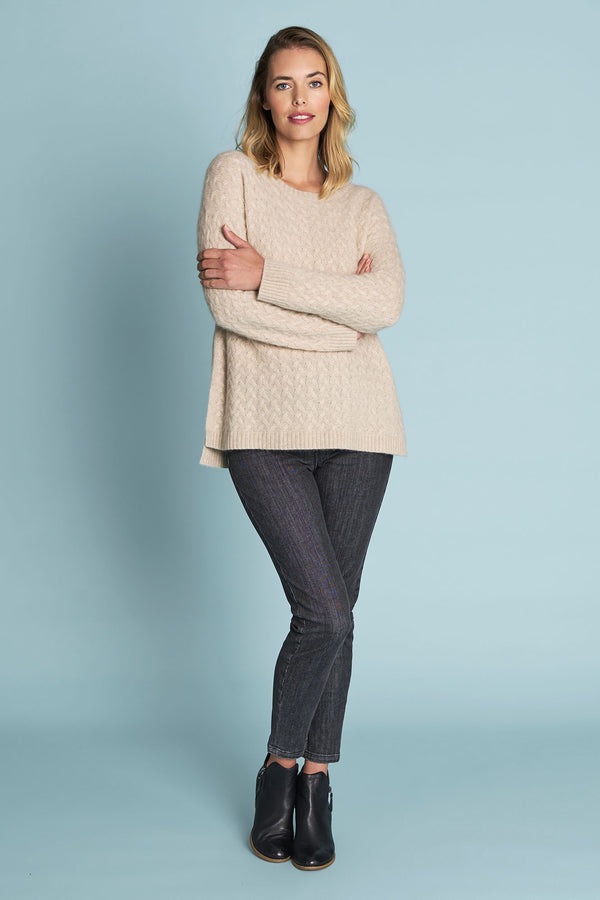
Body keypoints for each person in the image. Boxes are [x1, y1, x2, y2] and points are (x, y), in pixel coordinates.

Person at [195, 25, 407, 871]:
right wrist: (339, 321)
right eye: (283, 83)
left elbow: (385, 304)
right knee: (325, 610)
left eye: (314, 81)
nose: (300, 98)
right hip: (263, 429)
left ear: (332, 95)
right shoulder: (232, 177)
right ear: (263, 96)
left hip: (361, 430)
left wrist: (272, 278)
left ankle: (315, 784)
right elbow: (228, 309)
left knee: (337, 611)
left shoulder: (363, 205)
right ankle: (279, 766)